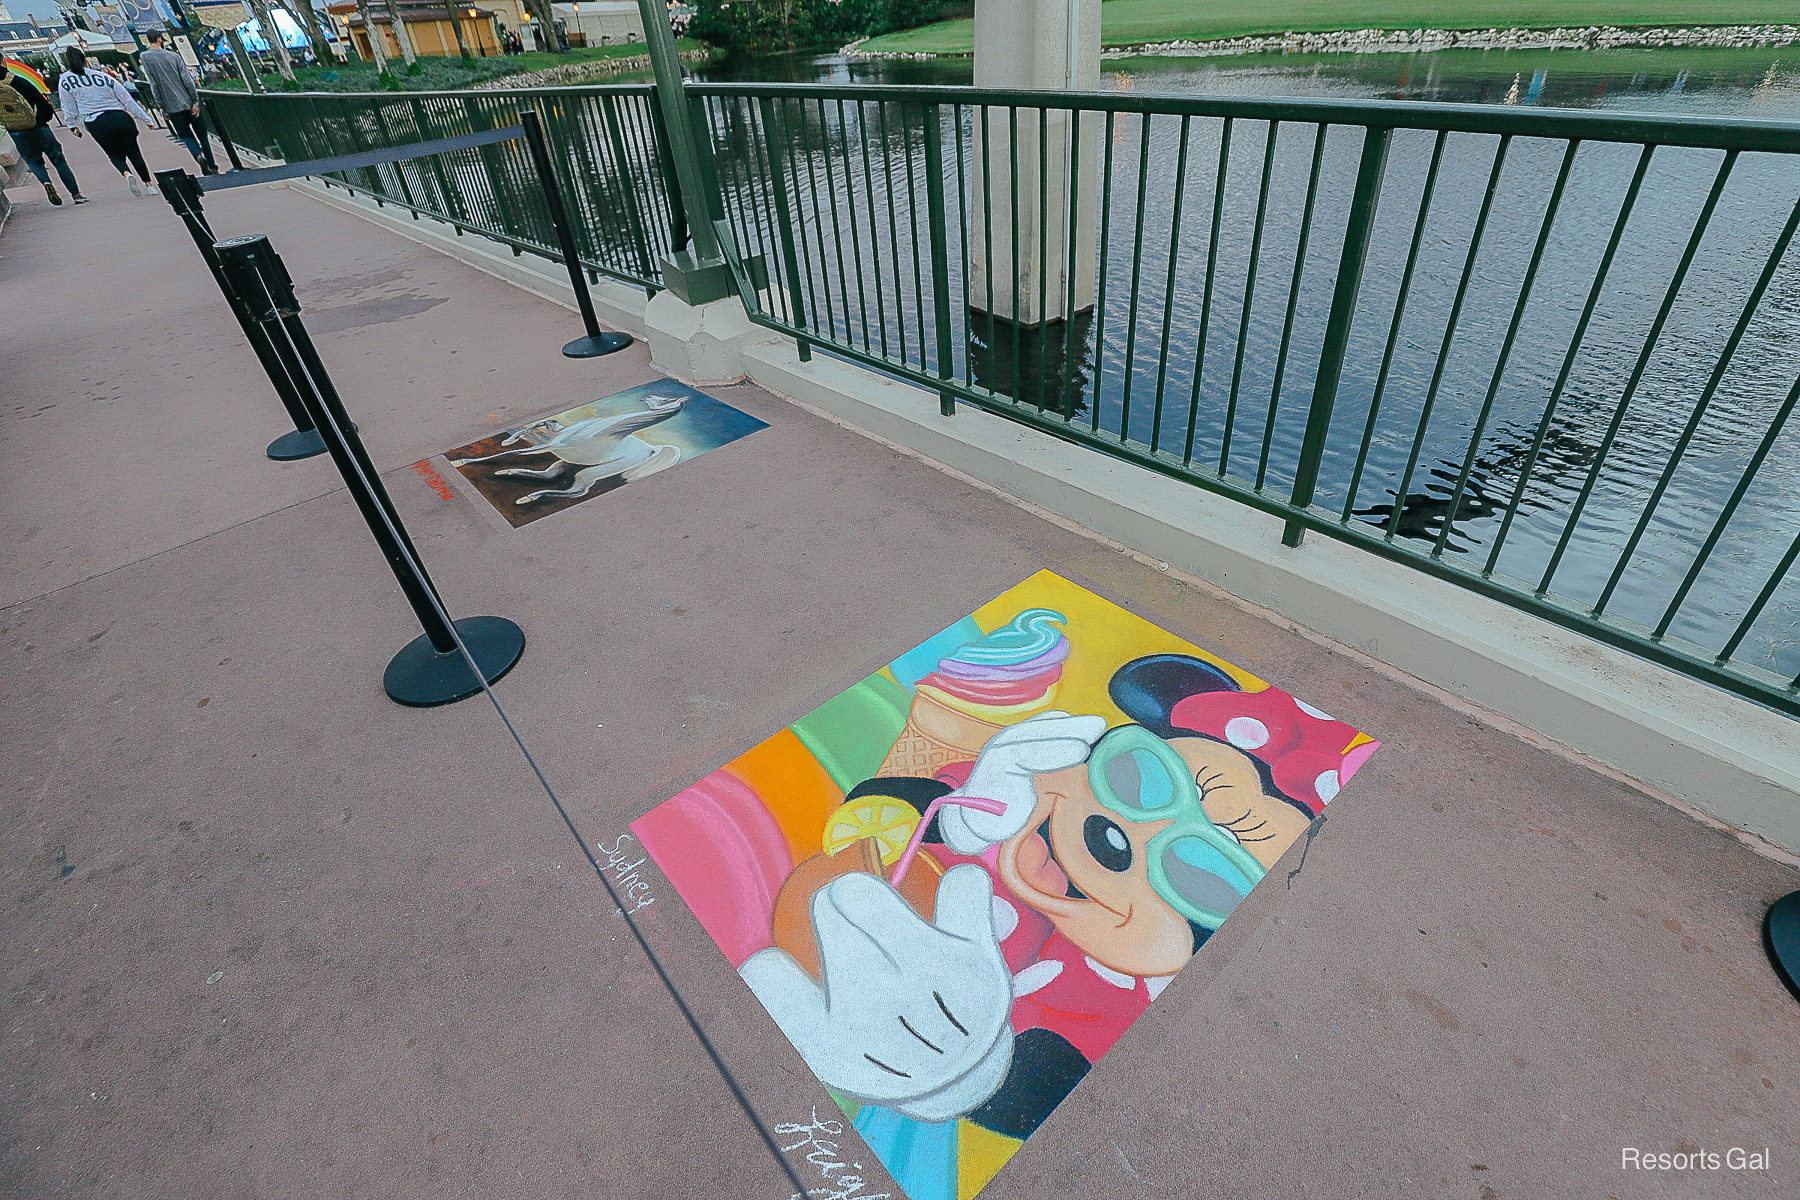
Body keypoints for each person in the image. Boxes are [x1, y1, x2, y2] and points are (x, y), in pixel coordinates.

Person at [56, 45, 155, 197]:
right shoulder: (103, 76)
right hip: (120, 117)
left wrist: (71, 125)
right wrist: (146, 119)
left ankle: (126, 172)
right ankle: (149, 185)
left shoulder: (65, 81)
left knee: (113, 154)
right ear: (85, 61)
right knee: (134, 152)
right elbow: (127, 99)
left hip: (96, 122)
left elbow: (68, 106)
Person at [3, 56, 85, 205]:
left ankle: (47, 183)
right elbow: (42, 102)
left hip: (16, 131)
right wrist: (43, 119)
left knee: (33, 162)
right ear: (3, 62)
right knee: (58, 160)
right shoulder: (18, 81)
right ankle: (76, 194)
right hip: (38, 127)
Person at [138, 29, 217, 175]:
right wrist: (195, 101)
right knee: (202, 134)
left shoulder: (145, 57)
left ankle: (198, 155)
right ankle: (212, 164)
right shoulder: (174, 56)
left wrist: (160, 105)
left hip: (171, 106)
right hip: (187, 101)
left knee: (185, 135)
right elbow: (187, 80)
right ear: (160, 39)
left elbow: (153, 83)